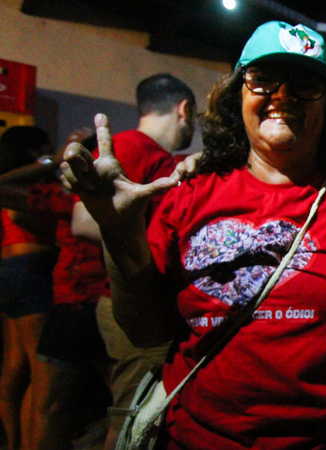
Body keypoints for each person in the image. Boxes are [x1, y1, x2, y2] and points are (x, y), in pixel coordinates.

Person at [61, 21, 326, 448]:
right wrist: (118, 230)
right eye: (264, 81)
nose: (283, 96)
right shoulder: (191, 191)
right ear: (238, 96)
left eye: (306, 85)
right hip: (197, 439)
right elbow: (146, 331)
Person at [70, 73, 197, 450]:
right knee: (132, 413)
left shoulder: (156, 156)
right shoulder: (128, 147)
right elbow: (84, 221)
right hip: (132, 303)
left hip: (152, 299)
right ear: (184, 110)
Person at [0, 126, 57, 449]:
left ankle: (11, 442)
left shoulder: (10, 177)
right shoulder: (29, 184)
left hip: (7, 269)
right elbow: (21, 219)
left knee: (13, 367)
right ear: (36, 151)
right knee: (41, 375)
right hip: (31, 269)